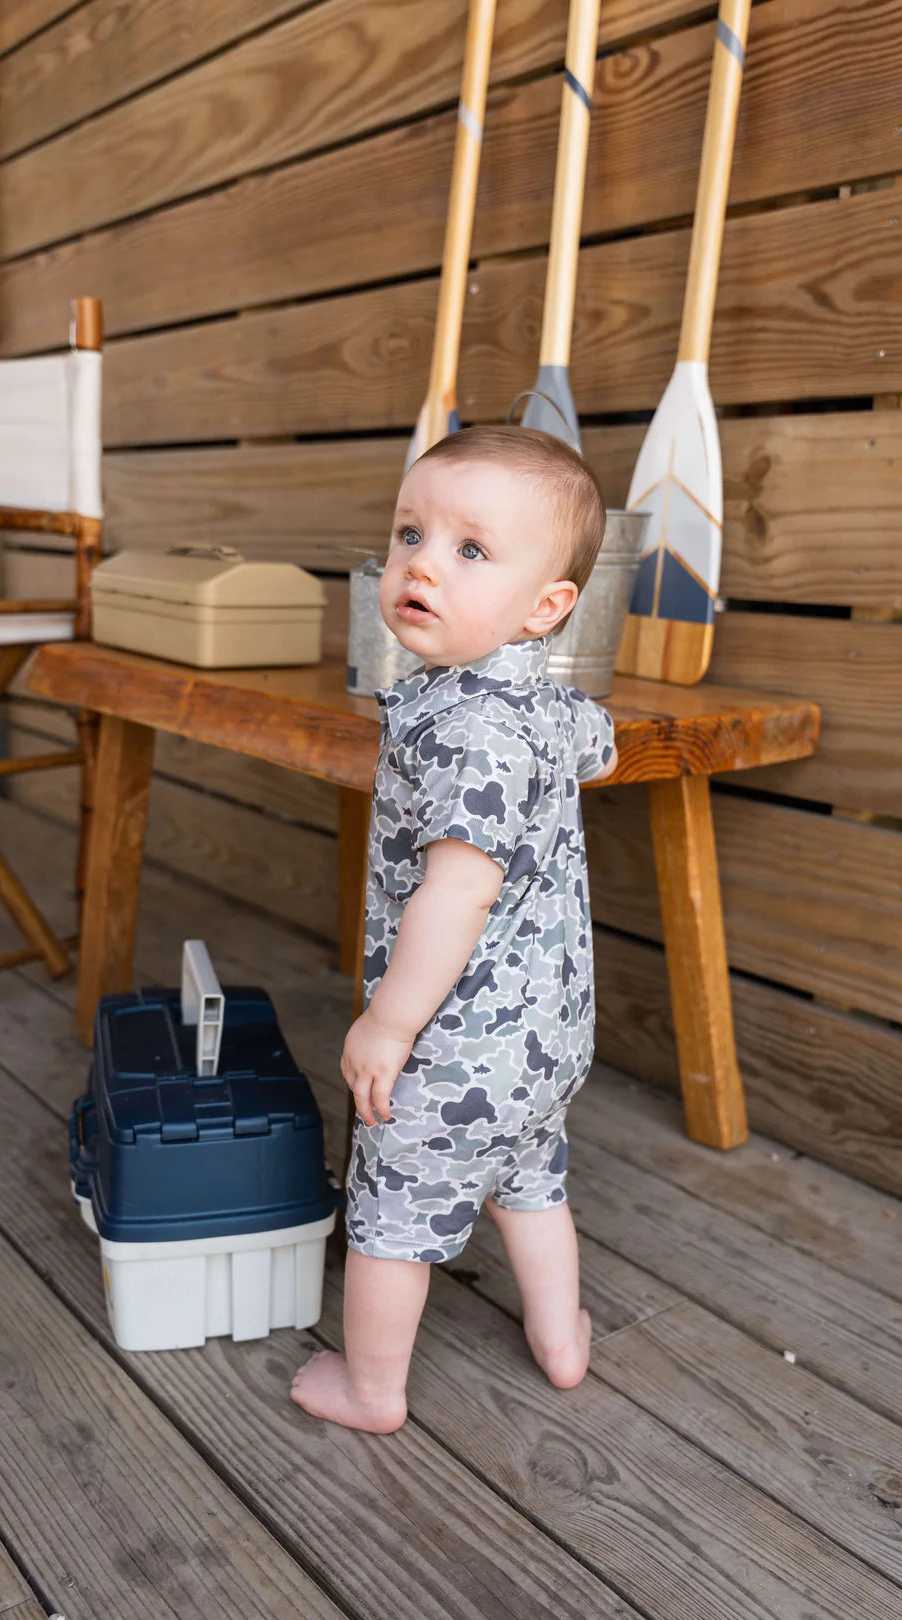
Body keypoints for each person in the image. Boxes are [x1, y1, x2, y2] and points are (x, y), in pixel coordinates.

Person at [291, 424, 618, 1433]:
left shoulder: (469, 732)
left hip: (455, 1047)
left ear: (546, 606)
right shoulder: (542, 703)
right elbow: (598, 749)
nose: (422, 563)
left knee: (391, 1219)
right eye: (410, 534)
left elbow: (456, 896)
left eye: (470, 549)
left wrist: (388, 1029)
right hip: (547, 1038)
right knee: (528, 1180)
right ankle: (561, 1337)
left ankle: (371, 1389)